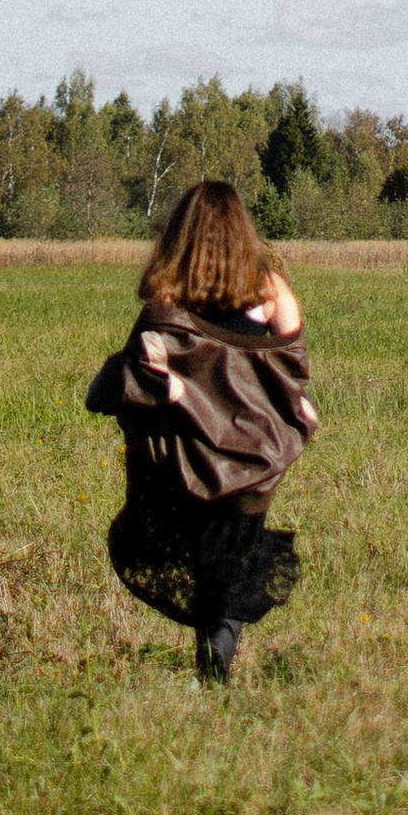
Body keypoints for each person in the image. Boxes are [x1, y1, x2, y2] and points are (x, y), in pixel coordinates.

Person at [85, 178, 316, 681]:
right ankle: (216, 666)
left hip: (187, 461)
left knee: (204, 559)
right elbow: (292, 362)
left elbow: (139, 372)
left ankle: (212, 666)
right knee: (234, 556)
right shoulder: (270, 288)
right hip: (256, 455)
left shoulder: (168, 297)